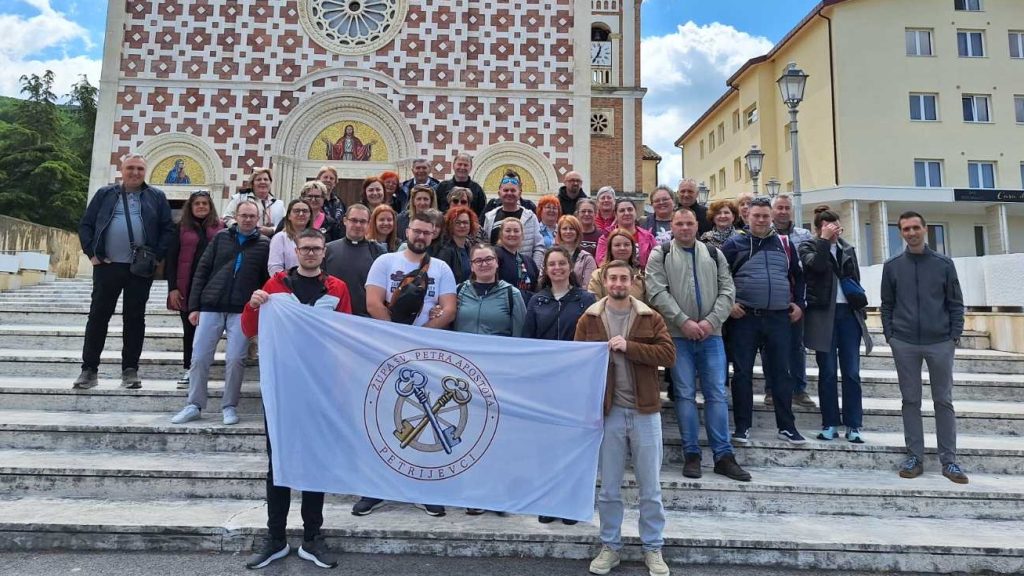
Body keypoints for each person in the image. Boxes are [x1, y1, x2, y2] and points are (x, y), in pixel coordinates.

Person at [241, 228, 351, 570]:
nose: (311, 253)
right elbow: (248, 328)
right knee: (279, 463)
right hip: (283, 388)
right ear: (295, 251)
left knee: (314, 463)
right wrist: (253, 304)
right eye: (305, 248)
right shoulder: (273, 287)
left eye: (317, 248)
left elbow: (347, 334)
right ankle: (275, 537)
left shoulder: (338, 289)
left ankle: (312, 537)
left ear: (323, 253)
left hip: (319, 388)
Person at [575, 259, 675, 576]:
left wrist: (629, 347)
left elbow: (668, 355)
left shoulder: (649, 315)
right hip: (610, 413)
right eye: (612, 278)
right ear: (604, 281)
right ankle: (610, 547)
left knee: (651, 488)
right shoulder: (590, 318)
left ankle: (653, 549)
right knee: (609, 488)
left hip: (645, 410)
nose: (618, 284)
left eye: (623, 278)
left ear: (632, 281)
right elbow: (578, 362)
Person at [355, 211, 458, 517]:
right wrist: (398, 337)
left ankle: (423, 489)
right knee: (382, 416)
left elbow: (449, 310)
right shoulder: (385, 262)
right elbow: (373, 302)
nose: (421, 236)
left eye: (427, 232)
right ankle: (374, 488)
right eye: (417, 230)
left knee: (422, 420)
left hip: (426, 354)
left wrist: (418, 340)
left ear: (434, 234)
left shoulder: (441, 268)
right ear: (407, 231)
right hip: (387, 349)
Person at [646, 208, 750, 482]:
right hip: (678, 336)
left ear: (696, 225)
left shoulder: (714, 254)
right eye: (679, 223)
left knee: (716, 393)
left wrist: (709, 322)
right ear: (672, 226)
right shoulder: (662, 253)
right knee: (684, 394)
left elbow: (728, 290)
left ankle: (723, 455)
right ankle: (691, 453)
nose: (684, 228)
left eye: (689, 223)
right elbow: (656, 291)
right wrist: (684, 322)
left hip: (711, 336)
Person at [74, 152, 175, 390]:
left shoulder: (156, 197)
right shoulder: (105, 194)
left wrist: (156, 257)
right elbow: (86, 225)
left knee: (134, 318)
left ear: (145, 171)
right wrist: (92, 254)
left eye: (140, 168)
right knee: (98, 317)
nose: (135, 173)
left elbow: (168, 229)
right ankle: (89, 369)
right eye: (131, 168)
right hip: (107, 267)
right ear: (122, 170)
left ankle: (130, 369)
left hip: (139, 269)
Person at [881, 211, 967, 484]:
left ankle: (949, 461)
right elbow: (887, 304)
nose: (911, 232)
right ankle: (914, 457)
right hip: (904, 342)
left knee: (943, 400)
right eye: (906, 229)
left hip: (940, 341)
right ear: (901, 233)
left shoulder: (944, 264)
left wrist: (955, 334)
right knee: (910, 400)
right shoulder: (892, 265)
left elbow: (955, 302)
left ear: (925, 229)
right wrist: (890, 335)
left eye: (916, 227)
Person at [170, 200, 270, 426]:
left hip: (241, 309)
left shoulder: (264, 244)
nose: (247, 219)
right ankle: (193, 405)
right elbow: (202, 270)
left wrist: (259, 310)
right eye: (243, 215)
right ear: (236, 215)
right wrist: (194, 306)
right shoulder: (220, 238)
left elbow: (266, 280)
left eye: (252, 216)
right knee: (199, 357)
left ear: (258, 219)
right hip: (211, 305)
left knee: (236, 359)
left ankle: (229, 406)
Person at [721, 196, 807, 445]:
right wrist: (730, 304)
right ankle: (742, 427)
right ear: (747, 217)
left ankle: (787, 427)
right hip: (745, 318)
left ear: (772, 218)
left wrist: (800, 304)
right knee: (742, 374)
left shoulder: (785, 243)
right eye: (756, 215)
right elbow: (720, 278)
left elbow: (799, 278)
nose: (760, 220)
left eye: (765, 216)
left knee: (782, 373)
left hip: (779, 318)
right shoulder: (734, 244)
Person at [523, 247, 598, 525]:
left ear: (570, 267)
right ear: (546, 269)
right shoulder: (536, 301)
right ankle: (549, 500)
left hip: (576, 380)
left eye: (562, 263)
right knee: (548, 444)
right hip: (545, 381)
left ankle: (571, 501)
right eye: (552, 264)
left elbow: (595, 337)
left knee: (573, 442)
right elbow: (527, 341)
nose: (557, 268)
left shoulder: (586, 300)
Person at [800, 206, 872, 444]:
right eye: (830, 226)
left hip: (848, 315)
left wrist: (860, 310)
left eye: (837, 226)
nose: (835, 231)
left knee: (851, 372)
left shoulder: (847, 248)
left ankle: (854, 425)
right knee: (828, 372)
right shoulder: (809, 246)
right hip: (823, 314)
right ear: (821, 227)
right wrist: (823, 241)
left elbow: (855, 280)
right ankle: (829, 423)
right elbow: (816, 267)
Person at [165, 190, 224, 389]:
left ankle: (203, 369)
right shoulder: (180, 228)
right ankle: (189, 369)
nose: (201, 207)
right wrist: (172, 288)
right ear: (190, 207)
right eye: (197, 203)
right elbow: (171, 260)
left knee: (207, 331)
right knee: (189, 330)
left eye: (205, 204)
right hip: (186, 287)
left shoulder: (220, 228)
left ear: (210, 206)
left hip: (211, 288)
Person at [765, 193, 816, 409]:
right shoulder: (764, 234)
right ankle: (771, 390)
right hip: (772, 298)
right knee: (770, 348)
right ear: (772, 210)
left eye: (787, 208)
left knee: (797, 346)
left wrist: (801, 302)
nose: (783, 211)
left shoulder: (804, 235)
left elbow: (809, 269)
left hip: (796, 297)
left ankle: (799, 390)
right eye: (779, 208)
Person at [324, 204, 384, 317]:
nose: (358, 225)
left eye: (362, 221)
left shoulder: (378, 252)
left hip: (364, 319)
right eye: (354, 220)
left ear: (369, 224)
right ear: (345, 221)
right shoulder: (328, 250)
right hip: (332, 316)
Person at [454, 243, 527, 338]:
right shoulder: (458, 290)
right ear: (471, 266)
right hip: (462, 351)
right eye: (478, 261)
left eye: (488, 259)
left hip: (497, 351)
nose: (484, 264)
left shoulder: (512, 294)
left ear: (496, 262)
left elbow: (520, 334)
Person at [482, 170, 543, 264]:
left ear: (520, 193)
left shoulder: (530, 217)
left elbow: (538, 247)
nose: (509, 193)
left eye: (513, 190)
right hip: (496, 273)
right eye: (506, 190)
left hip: (524, 273)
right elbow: (485, 246)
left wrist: (534, 270)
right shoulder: (490, 217)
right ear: (499, 193)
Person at [223, 168, 284, 237]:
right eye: (258, 179)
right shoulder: (239, 198)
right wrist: (243, 228)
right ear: (252, 183)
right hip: (243, 240)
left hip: (270, 242)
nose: (263, 182)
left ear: (270, 183)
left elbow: (285, 225)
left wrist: (272, 230)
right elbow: (227, 217)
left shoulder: (279, 204)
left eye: (266, 179)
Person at [588, 229, 646, 301]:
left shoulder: (641, 275)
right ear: (610, 249)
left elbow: (649, 305)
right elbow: (594, 303)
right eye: (617, 245)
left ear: (633, 248)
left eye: (626, 245)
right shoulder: (598, 275)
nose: (622, 248)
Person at [596, 200, 656, 269]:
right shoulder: (606, 237)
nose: (627, 213)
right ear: (616, 214)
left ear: (635, 212)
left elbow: (655, 262)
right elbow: (601, 263)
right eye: (622, 210)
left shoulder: (648, 237)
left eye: (630, 209)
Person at [494, 218, 540, 300]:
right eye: (508, 231)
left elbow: (536, 286)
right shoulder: (495, 255)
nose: (512, 234)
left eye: (516, 231)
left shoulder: (529, 261)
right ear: (501, 234)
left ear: (522, 235)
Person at [434, 206, 478, 284]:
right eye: (457, 222)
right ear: (450, 225)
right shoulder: (446, 251)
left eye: (465, 222)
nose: (462, 226)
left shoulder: (469, 247)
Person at [435, 152, 487, 218]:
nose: (462, 167)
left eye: (465, 165)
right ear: (453, 166)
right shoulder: (442, 187)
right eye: (459, 164)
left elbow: (482, 214)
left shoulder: (477, 190)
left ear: (470, 168)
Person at [268, 199, 312, 275]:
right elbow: (274, 268)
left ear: (310, 216)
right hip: (286, 284)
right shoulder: (280, 238)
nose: (301, 214)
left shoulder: (315, 238)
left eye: (305, 211)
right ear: (289, 216)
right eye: (296, 211)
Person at [555, 215, 597, 287]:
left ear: (577, 232)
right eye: (564, 229)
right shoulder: (550, 256)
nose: (568, 231)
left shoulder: (587, 258)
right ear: (559, 232)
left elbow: (588, 287)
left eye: (572, 229)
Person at [535, 195, 562, 263]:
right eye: (548, 207)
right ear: (540, 210)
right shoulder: (535, 230)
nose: (551, 210)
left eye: (555, 208)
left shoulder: (563, 230)